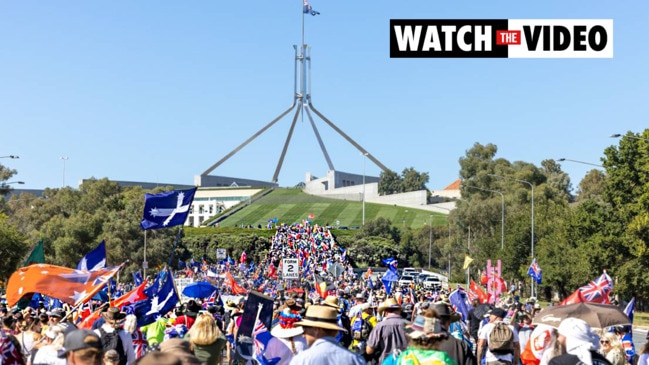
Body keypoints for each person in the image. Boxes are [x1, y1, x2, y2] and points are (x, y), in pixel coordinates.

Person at [289, 305, 366, 365]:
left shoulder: (301, 360)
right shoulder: (355, 359)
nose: (304, 335)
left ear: (316, 329)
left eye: (305, 328)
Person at [366, 297, 408, 365]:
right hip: (407, 361)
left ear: (385, 312)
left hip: (386, 361)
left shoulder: (380, 326)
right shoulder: (410, 325)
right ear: (399, 311)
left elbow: (369, 350)